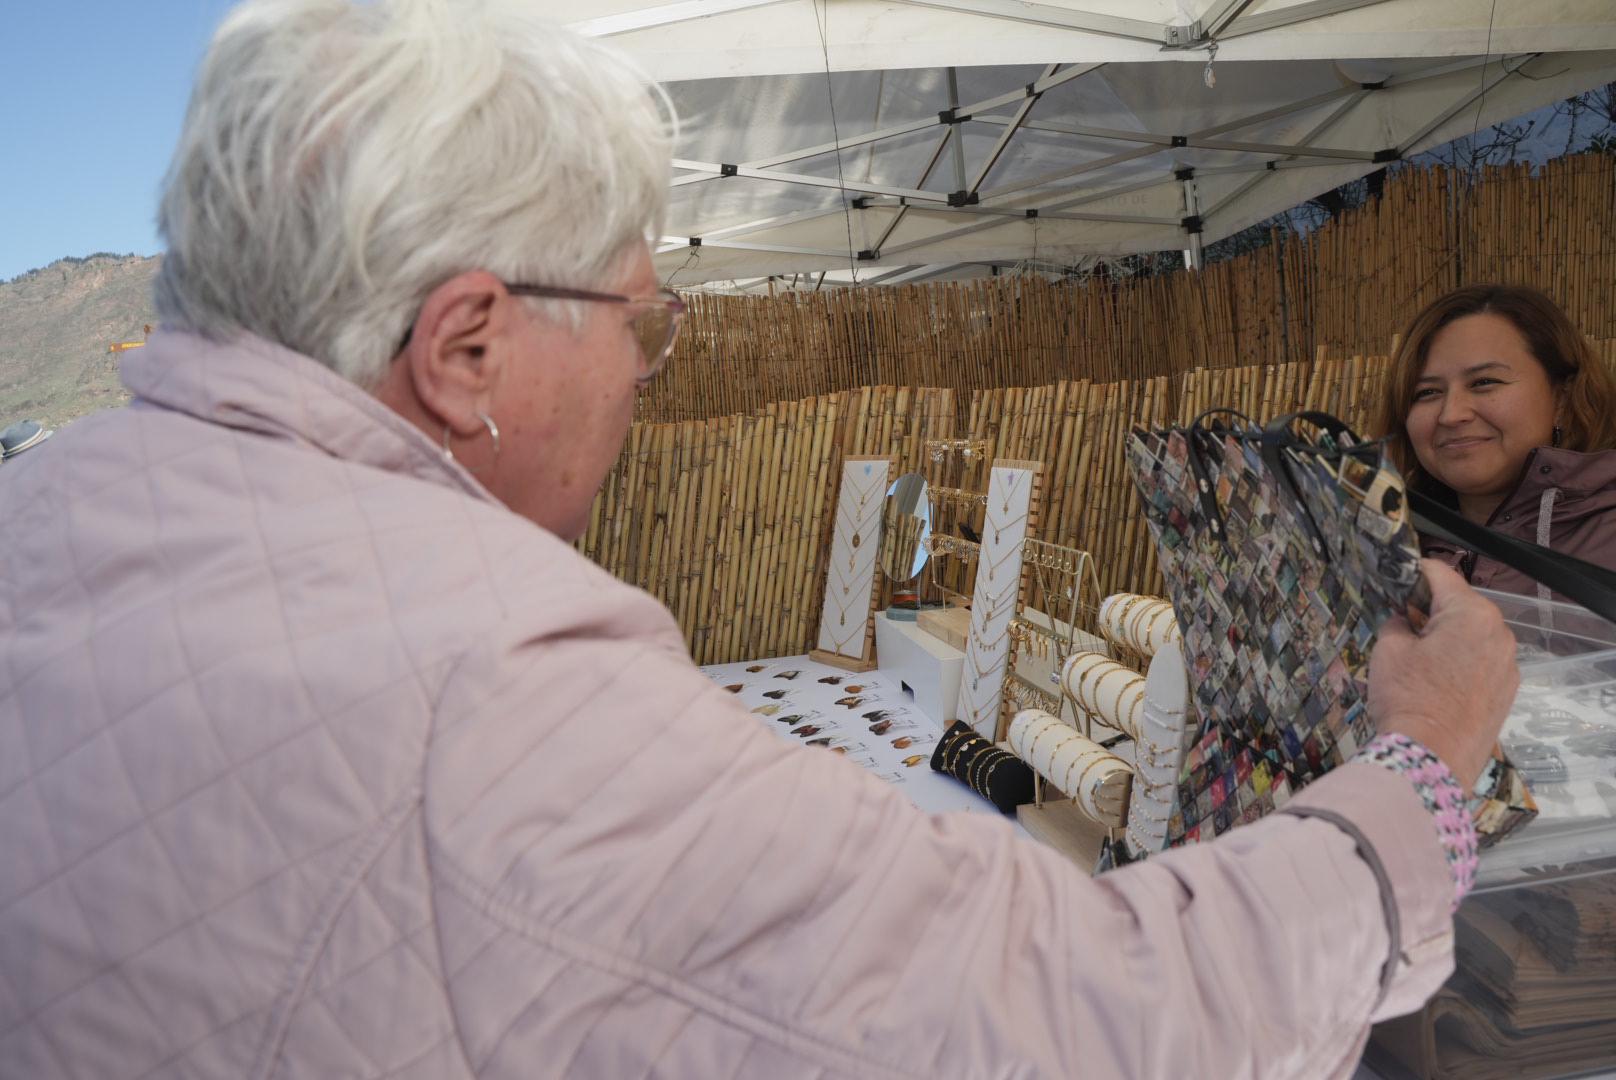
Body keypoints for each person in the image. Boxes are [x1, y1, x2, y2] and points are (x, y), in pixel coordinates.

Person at [0, 2, 1517, 1077]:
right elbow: (1101, 1027)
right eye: (636, 318)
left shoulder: (42, 523)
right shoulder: (500, 691)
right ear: (468, 349)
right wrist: (1422, 775)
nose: (640, 375)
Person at [1375, 284, 1616, 595]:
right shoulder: (1387, 545)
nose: (1451, 415)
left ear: (1561, 400)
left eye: (1484, 382)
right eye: (1427, 393)